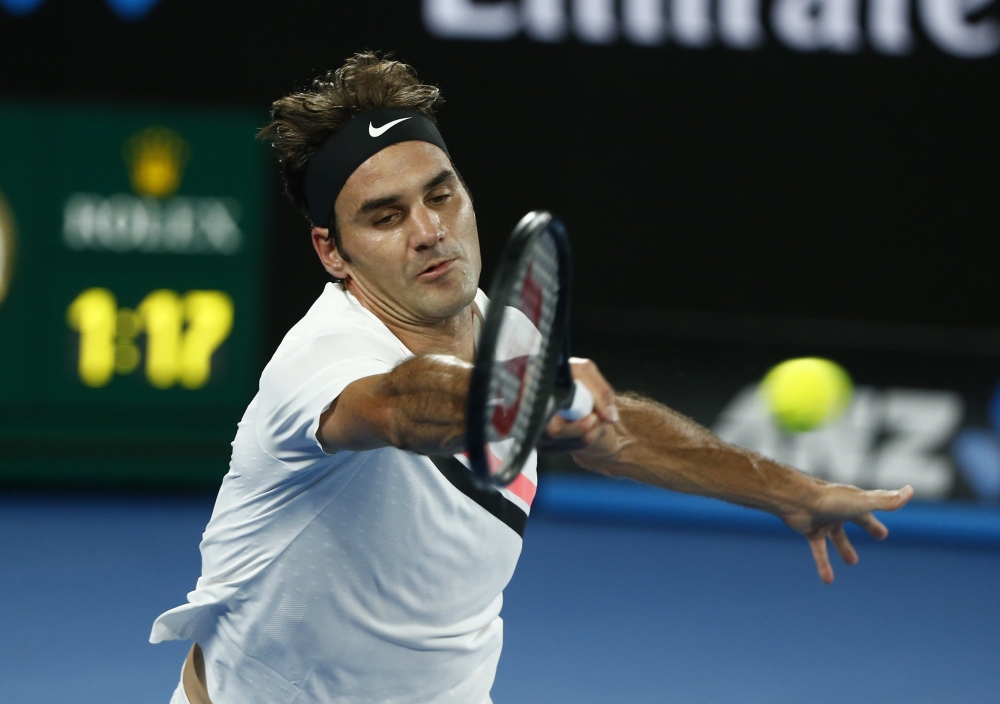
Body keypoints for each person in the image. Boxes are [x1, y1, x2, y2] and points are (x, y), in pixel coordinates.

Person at [150, 52, 913, 704]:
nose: (429, 232)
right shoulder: (321, 359)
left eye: (440, 194)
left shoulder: (502, 325)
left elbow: (611, 436)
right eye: (385, 217)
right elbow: (402, 406)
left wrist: (795, 493)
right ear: (332, 251)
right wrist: (519, 396)